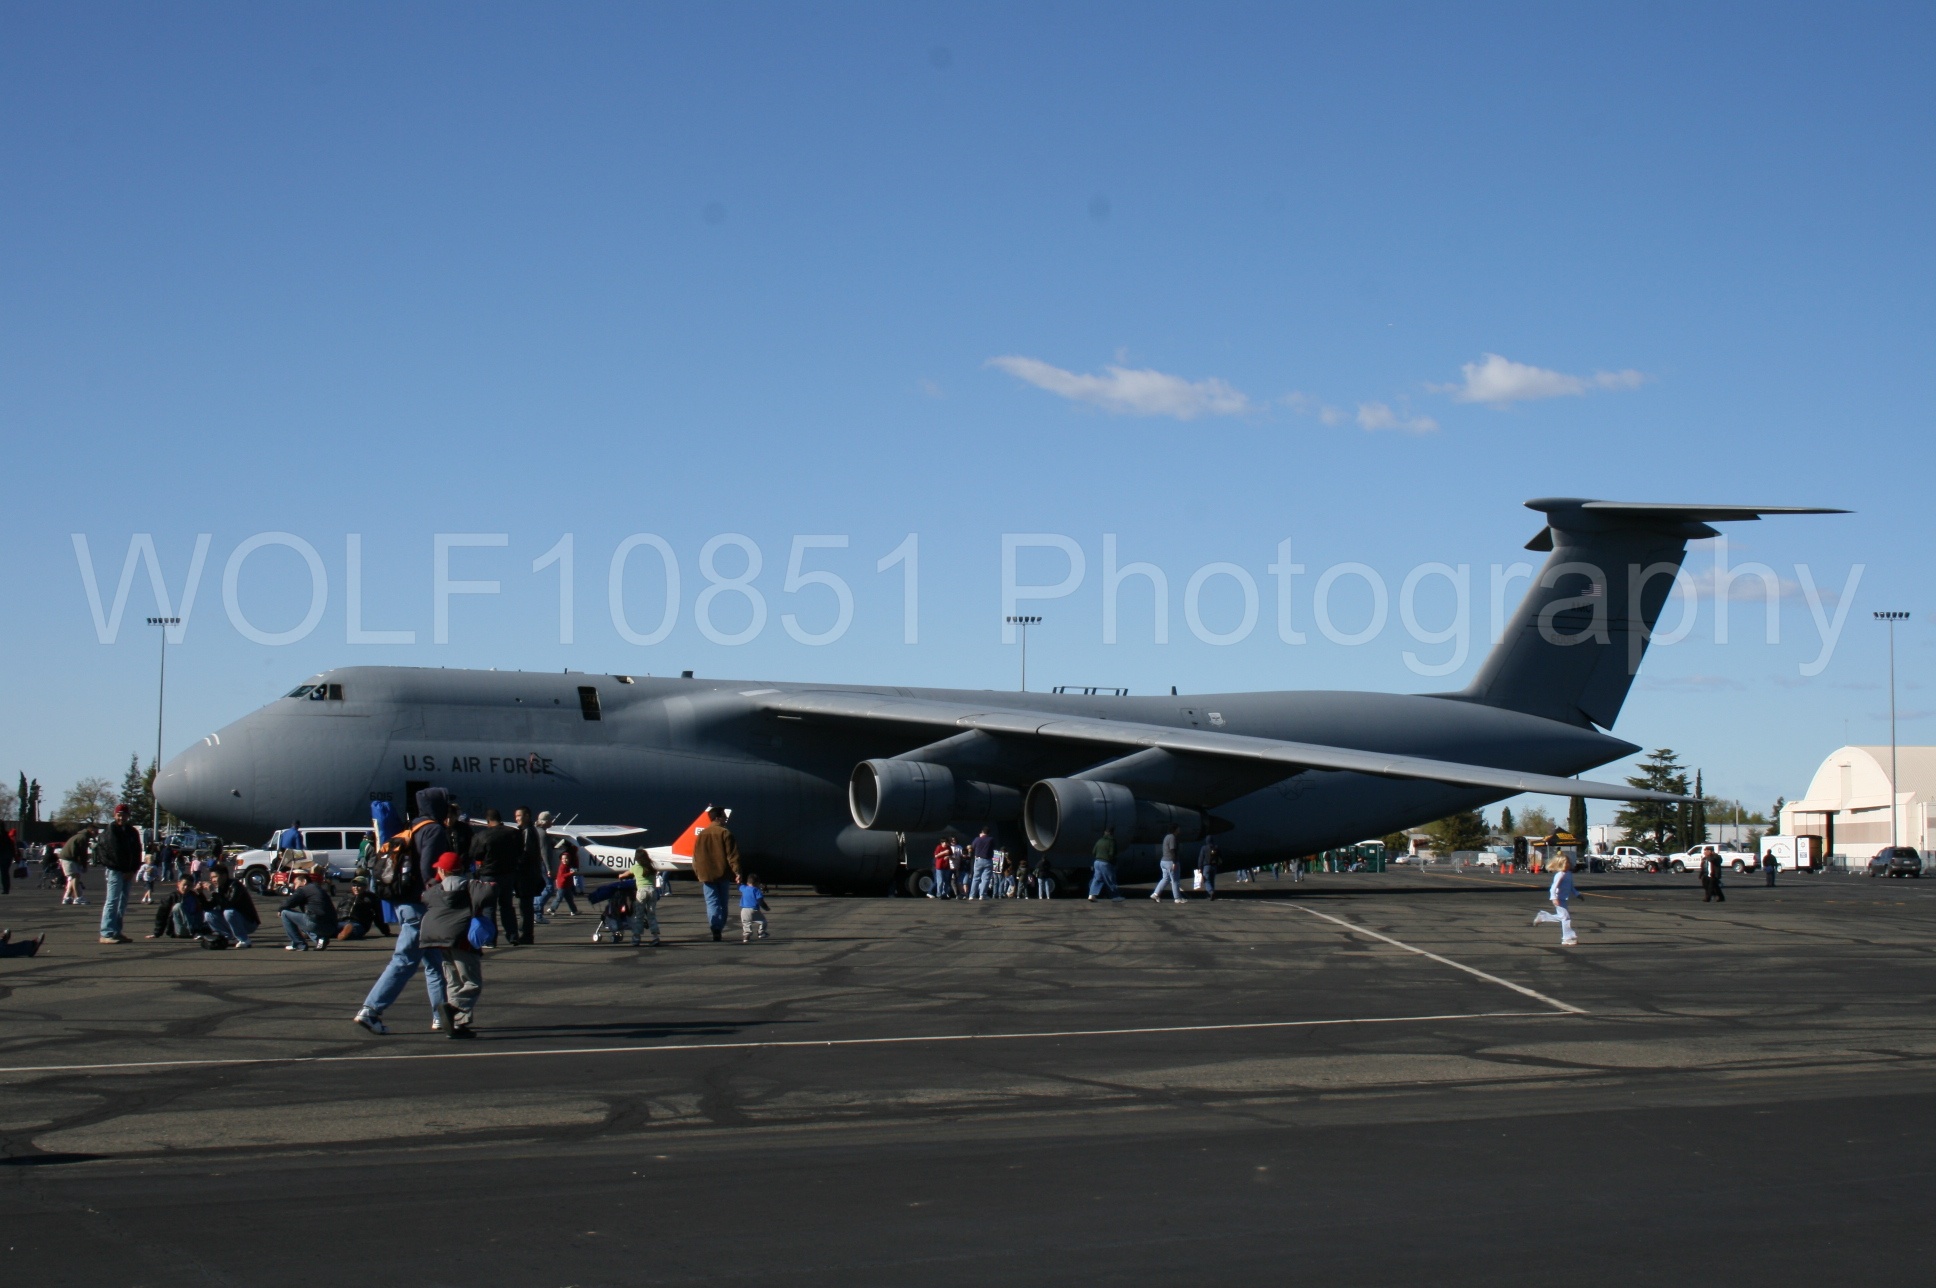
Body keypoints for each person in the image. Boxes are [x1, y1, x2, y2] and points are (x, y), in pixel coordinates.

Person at [352, 786, 453, 1035]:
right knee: (405, 960)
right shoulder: (434, 829)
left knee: (434, 962)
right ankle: (371, 1010)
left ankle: (441, 1015)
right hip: (421, 904)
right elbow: (430, 868)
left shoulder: (410, 827)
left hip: (403, 902)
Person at [419, 851, 492, 1039]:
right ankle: (453, 1009)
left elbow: (424, 897)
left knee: (453, 981)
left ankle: (459, 1025)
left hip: (439, 940)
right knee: (472, 982)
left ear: (443, 870)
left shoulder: (435, 890)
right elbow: (489, 892)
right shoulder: (469, 886)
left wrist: (437, 879)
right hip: (463, 940)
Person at [469, 808, 525, 947]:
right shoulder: (513, 833)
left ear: (488, 821)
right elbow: (520, 851)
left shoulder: (483, 835)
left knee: (489, 908)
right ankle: (513, 936)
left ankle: (490, 939)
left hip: (489, 875)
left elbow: (476, 854)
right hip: (508, 874)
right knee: (507, 906)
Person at [691, 806, 743, 941]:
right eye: (724, 816)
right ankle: (719, 927)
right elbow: (732, 855)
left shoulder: (702, 834)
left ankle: (715, 927)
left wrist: (698, 872)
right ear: (718, 817)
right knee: (723, 903)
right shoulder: (725, 833)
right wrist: (737, 872)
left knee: (711, 902)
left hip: (706, 874)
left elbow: (695, 856)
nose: (726, 819)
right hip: (722, 873)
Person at [95, 803, 144, 944]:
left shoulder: (131, 832)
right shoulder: (110, 831)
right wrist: (122, 869)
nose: (121, 817)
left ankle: (116, 931)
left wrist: (133, 869)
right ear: (114, 815)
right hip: (115, 871)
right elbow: (111, 853)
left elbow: (136, 851)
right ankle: (106, 932)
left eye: (124, 814)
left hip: (128, 871)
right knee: (112, 900)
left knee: (122, 902)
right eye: (119, 814)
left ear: (128, 816)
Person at [513, 807, 549, 942]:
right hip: (530, 873)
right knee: (526, 905)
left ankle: (526, 934)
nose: (516, 818)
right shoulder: (530, 830)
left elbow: (526, 853)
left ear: (527, 816)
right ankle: (526, 933)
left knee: (525, 906)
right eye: (515, 816)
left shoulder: (527, 831)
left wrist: (516, 865)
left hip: (526, 875)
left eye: (519, 816)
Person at [279, 868, 338, 950]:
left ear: (304, 882)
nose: (295, 887)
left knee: (284, 913)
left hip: (316, 923)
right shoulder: (318, 889)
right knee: (305, 919)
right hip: (331, 927)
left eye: (296, 884)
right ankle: (320, 939)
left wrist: (280, 909)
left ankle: (299, 944)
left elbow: (288, 902)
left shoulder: (304, 889)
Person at [203, 865, 260, 946]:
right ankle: (226, 937)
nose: (213, 880)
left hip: (248, 922)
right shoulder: (219, 888)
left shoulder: (235, 885)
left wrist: (214, 892)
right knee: (209, 914)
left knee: (229, 912)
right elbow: (208, 907)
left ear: (224, 876)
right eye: (211, 878)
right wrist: (199, 894)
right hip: (232, 920)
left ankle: (244, 939)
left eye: (215, 877)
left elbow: (229, 904)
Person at [1532, 854, 1580, 946]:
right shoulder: (1560, 875)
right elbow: (1553, 888)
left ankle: (1543, 917)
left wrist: (1577, 894)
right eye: (1565, 863)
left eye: (1568, 863)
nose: (1567, 865)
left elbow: (1571, 887)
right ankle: (1566, 938)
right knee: (1565, 917)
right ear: (1560, 864)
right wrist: (1554, 898)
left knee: (1563, 917)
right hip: (1558, 899)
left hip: (1563, 899)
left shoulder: (1568, 874)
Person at [627, 848, 662, 947]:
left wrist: (621, 875)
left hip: (641, 892)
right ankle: (655, 937)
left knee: (639, 915)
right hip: (652, 890)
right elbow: (654, 881)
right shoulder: (651, 868)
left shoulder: (636, 867)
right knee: (651, 914)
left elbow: (628, 873)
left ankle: (636, 937)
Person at [547, 837, 583, 918]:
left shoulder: (567, 866)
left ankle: (574, 911)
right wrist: (570, 873)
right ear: (561, 860)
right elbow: (562, 876)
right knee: (559, 898)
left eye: (566, 859)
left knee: (570, 899)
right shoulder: (562, 867)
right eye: (563, 859)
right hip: (562, 885)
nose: (565, 860)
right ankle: (552, 909)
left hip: (567, 885)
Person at [58, 824, 93, 905]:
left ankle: (67, 897)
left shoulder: (80, 836)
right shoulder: (83, 838)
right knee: (75, 877)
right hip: (68, 858)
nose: (97, 834)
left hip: (68, 858)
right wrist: (84, 865)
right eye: (96, 832)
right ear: (91, 831)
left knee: (73, 878)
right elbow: (83, 853)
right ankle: (78, 898)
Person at [1088, 827, 1123, 901]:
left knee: (1097, 879)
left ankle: (1092, 895)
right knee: (1110, 879)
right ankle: (1115, 896)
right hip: (1105, 863)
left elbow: (1093, 852)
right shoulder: (1112, 841)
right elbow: (1112, 853)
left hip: (1097, 862)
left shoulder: (1099, 841)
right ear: (1112, 833)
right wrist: (1113, 862)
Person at [1152, 826, 1185, 903]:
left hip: (1163, 861)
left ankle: (1155, 894)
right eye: (1178, 828)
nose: (1179, 830)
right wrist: (1174, 862)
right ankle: (1177, 898)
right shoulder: (1172, 837)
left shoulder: (1166, 837)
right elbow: (1172, 850)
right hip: (1170, 861)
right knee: (1175, 880)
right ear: (1175, 829)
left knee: (1165, 879)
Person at [738, 872, 770, 942]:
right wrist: (766, 908)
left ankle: (746, 936)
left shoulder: (744, 888)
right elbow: (760, 901)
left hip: (744, 910)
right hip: (754, 909)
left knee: (746, 923)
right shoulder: (756, 890)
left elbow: (739, 886)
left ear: (747, 882)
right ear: (756, 883)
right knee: (763, 922)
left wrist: (738, 880)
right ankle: (761, 933)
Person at [968, 827, 996, 900]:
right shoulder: (991, 839)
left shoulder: (977, 839)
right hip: (988, 860)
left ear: (982, 832)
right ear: (988, 833)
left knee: (976, 878)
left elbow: (972, 847)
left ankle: (972, 895)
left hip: (978, 860)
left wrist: (980, 837)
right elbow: (993, 847)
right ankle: (982, 895)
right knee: (986, 879)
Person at [1197, 836, 1220, 901]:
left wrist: (1199, 867)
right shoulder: (1216, 847)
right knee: (1212, 880)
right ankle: (1211, 894)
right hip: (1214, 866)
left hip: (1206, 866)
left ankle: (1210, 892)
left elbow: (1201, 858)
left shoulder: (1204, 848)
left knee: (1206, 880)